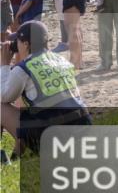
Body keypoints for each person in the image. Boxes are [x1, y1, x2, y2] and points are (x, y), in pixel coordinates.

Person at [1, 22, 91, 157]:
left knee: (1, 107)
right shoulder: (61, 60)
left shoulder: (24, 68)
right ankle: (17, 154)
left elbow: (3, 96)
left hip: (55, 142)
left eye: (17, 42)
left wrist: (4, 65)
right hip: (84, 131)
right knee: (28, 106)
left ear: (26, 44)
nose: (16, 45)